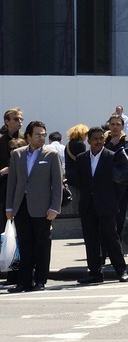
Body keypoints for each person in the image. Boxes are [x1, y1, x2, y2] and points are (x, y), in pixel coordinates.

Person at [6, 121, 63, 292]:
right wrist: (9, 207)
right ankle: (24, 282)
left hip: (43, 207)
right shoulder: (17, 154)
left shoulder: (51, 155)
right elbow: (12, 183)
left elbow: (57, 184)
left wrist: (55, 207)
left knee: (42, 245)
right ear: (28, 136)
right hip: (21, 205)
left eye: (43, 134)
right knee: (25, 244)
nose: (41, 138)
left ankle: (40, 280)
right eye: (37, 135)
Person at [68, 126, 128, 284]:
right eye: (95, 139)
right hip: (88, 205)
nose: (99, 141)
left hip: (107, 205)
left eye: (101, 138)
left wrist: (114, 200)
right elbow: (78, 180)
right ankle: (95, 272)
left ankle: (121, 270)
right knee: (91, 239)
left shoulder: (112, 156)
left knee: (111, 238)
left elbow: (120, 184)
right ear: (88, 141)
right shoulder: (81, 158)